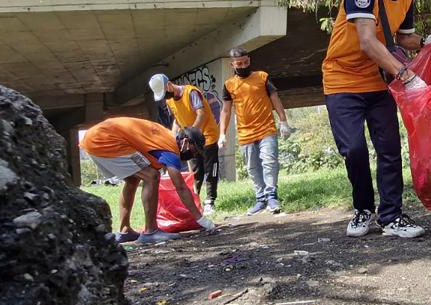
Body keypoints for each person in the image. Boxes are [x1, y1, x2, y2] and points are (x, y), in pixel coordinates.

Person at [321, 0, 431, 238]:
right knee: (354, 149)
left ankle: (391, 216)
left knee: (390, 148)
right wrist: (405, 75)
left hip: (378, 82)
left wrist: (426, 42)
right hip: (343, 81)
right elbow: (367, 41)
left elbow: (403, 36)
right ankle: (364, 210)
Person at [79, 117, 216, 242]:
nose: (194, 155)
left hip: (96, 137)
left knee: (133, 180)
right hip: (104, 139)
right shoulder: (171, 148)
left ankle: (125, 230)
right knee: (151, 176)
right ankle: (151, 231)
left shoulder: (166, 137)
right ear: (185, 142)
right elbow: (180, 186)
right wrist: (201, 219)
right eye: (194, 150)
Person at [218, 47, 294, 215]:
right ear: (232, 65)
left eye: (245, 62)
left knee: (269, 162)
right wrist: (222, 134)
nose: (243, 65)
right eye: (239, 63)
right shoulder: (229, 85)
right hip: (245, 133)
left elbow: (275, 99)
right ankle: (261, 199)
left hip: (266, 128)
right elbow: (225, 111)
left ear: (249, 60)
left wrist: (283, 121)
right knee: (253, 168)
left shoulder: (262, 77)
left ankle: (272, 196)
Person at [149, 73, 221, 217]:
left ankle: (210, 201)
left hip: (207, 136)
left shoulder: (191, 92)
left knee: (210, 168)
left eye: (165, 92)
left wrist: (191, 134)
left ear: (169, 84)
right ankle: (195, 200)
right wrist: (172, 138)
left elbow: (201, 114)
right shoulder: (170, 101)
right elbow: (176, 121)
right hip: (190, 141)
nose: (165, 96)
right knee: (195, 172)